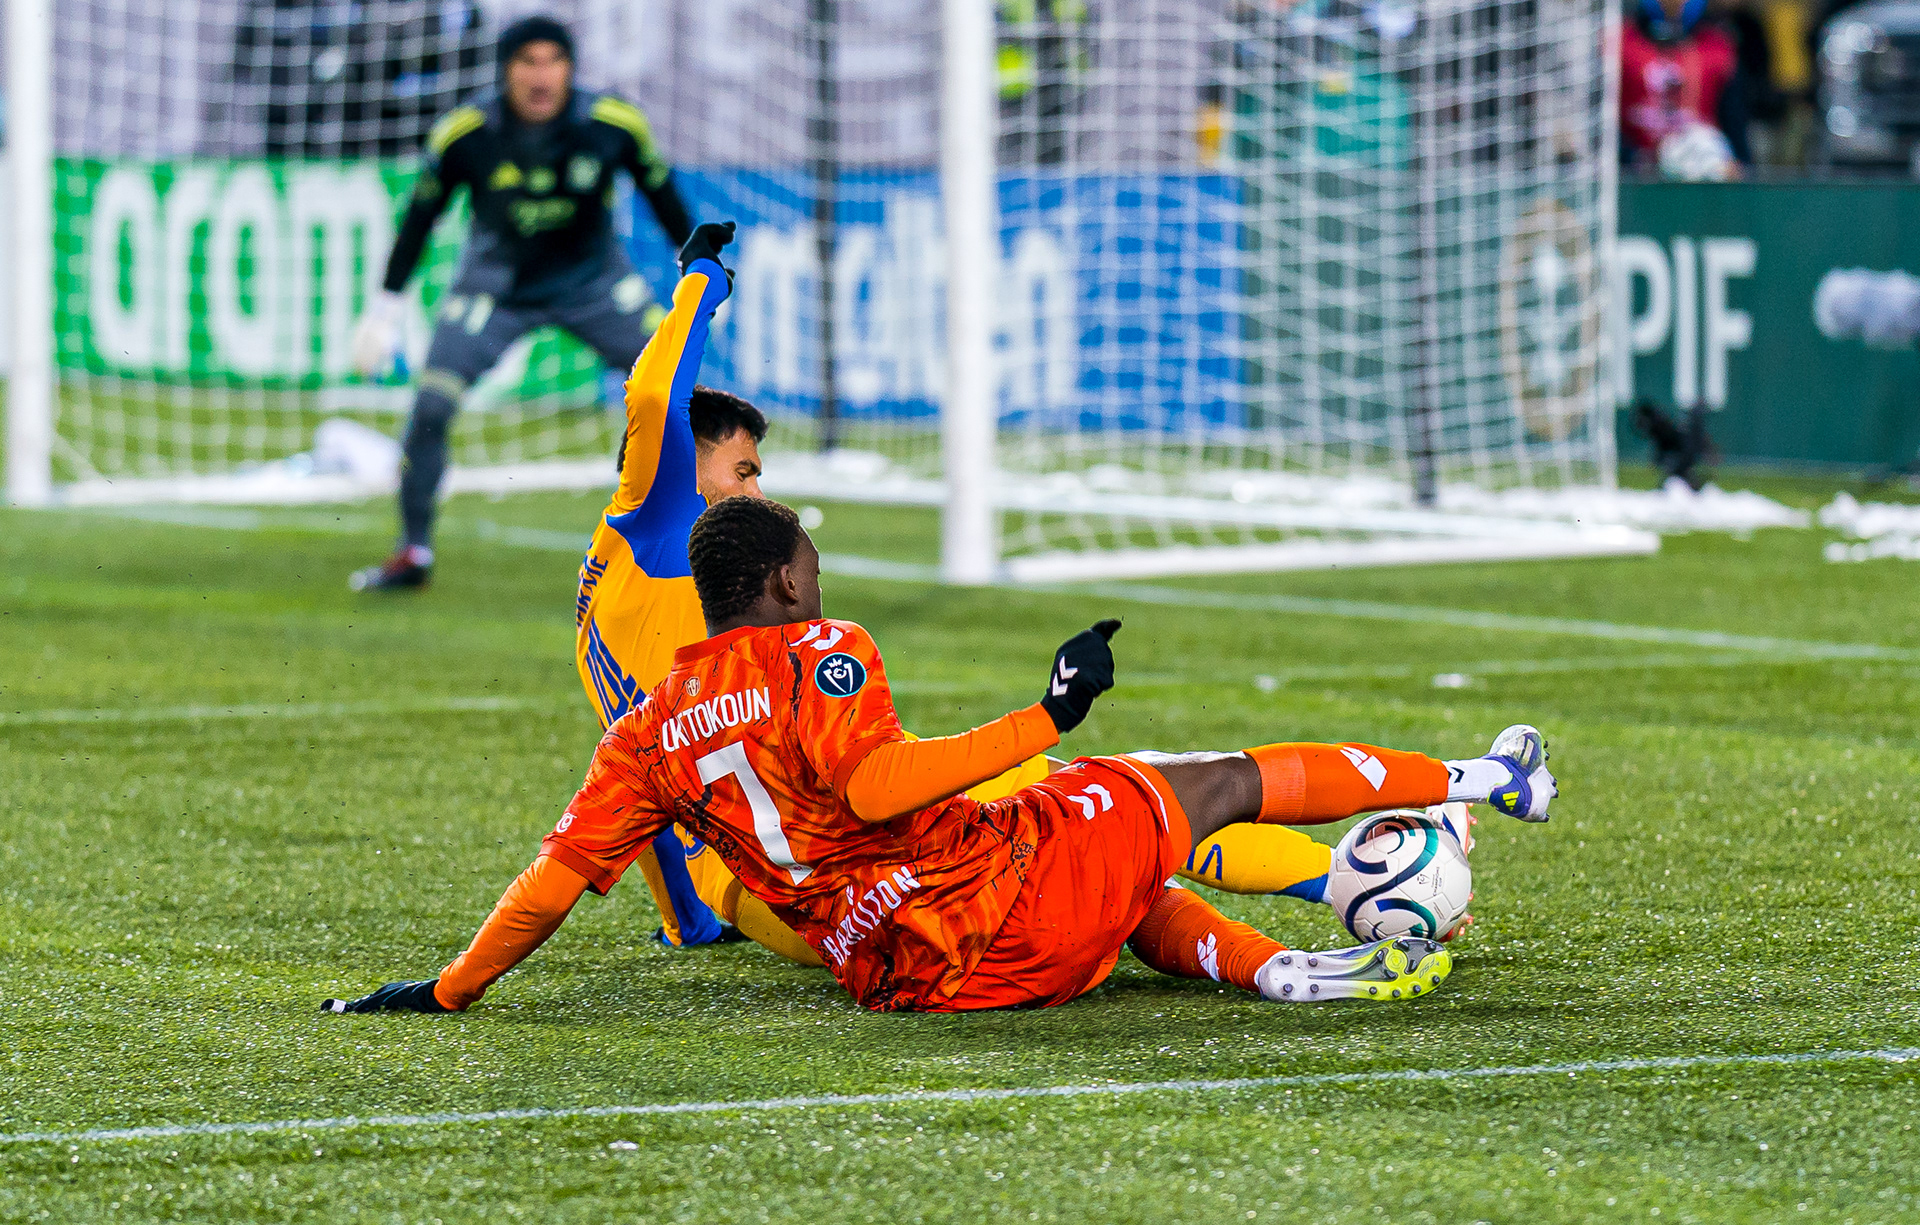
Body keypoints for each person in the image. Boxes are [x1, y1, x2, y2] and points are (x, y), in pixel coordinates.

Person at [324, 498, 1556, 1016]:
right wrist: (1046, 715)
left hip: (908, 973)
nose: (820, 570)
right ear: (779, 581)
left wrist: (447, 988)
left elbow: (553, 876)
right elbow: (877, 785)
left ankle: (1288, 968)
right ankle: (1488, 780)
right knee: (1195, 779)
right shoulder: (820, 647)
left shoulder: (642, 732)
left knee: (1115, 865)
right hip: (992, 896)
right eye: (807, 555)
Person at [576, 222, 1423, 961]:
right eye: (745, 469)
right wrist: (703, 280)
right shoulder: (659, 520)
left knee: (1078, 852)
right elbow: (656, 392)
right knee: (1094, 797)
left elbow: (637, 790)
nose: (760, 492)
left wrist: (687, 922)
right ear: (675, 464)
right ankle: (1349, 879)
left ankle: (1309, 920)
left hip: (780, 908)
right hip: (856, 854)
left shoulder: (600, 605)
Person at [349, 14, 695, 592]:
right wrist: (385, 307)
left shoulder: (613, 125)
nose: (541, 76)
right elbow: (420, 219)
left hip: (593, 284)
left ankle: (698, 549)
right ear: (505, 70)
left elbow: (664, 197)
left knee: (679, 396)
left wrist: (700, 274)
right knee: (432, 405)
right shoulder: (466, 134)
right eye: (526, 62)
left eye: (552, 61)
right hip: (495, 288)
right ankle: (413, 552)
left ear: (570, 69)